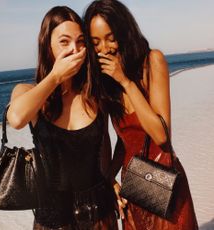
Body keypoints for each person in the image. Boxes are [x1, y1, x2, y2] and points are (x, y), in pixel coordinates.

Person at [83, 0, 198, 229]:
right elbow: (123, 142)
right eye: (95, 42)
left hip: (164, 183)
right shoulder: (106, 83)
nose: (104, 49)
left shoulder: (152, 61)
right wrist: (109, 179)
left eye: (110, 38)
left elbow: (161, 135)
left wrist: (126, 81)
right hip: (133, 187)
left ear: (124, 32)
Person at [7, 6, 118, 230]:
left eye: (80, 41)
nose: (74, 49)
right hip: (53, 220)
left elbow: (104, 144)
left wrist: (110, 179)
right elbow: (17, 118)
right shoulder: (28, 91)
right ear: (48, 47)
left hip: (99, 214)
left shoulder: (94, 93)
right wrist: (55, 77)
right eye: (64, 42)